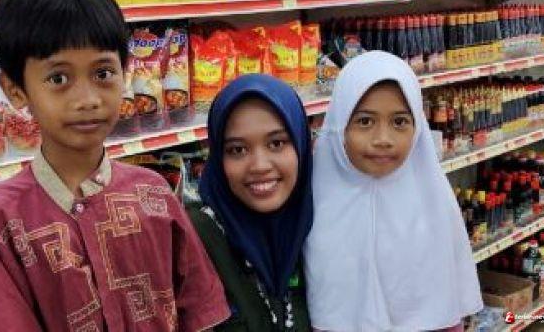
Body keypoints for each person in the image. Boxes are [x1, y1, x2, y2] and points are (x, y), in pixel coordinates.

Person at [0, 0, 229, 332]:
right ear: (15, 90)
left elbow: (197, 310)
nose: (88, 99)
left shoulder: (154, 193)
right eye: (58, 79)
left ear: (125, 73)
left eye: (103, 73)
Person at [304, 51, 483, 332]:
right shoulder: (311, 206)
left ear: (418, 128)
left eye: (399, 122)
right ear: (339, 126)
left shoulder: (434, 208)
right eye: (365, 121)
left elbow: (445, 311)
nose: (383, 139)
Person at [187, 74, 313, 331]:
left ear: (301, 144)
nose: (259, 166)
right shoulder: (195, 240)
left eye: (276, 143)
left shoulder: (322, 229)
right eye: (237, 150)